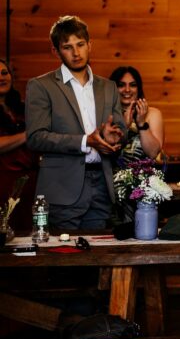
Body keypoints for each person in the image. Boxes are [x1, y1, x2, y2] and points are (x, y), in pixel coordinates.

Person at [25, 16, 125, 230]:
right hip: (61, 187)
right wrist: (85, 141)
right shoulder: (41, 86)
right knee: (62, 259)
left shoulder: (109, 87)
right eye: (67, 47)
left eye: (80, 45)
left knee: (96, 257)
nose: (76, 53)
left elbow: (120, 131)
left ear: (90, 45)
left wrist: (114, 136)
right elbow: (35, 138)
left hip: (102, 185)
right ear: (56, 51)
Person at [0, 59, 37, 233]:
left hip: (30, 183)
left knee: (29, 234)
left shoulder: (22, 107)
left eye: (4, 73)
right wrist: (27, 135)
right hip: (3, 183)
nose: (1, 78)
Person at [109, 66, 165, 166]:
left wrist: (141, 123)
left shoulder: (153, 114)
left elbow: (153, 153)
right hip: (110, 178)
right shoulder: (106, 115)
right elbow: (105, 153)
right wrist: (124, 126)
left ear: (138, 89)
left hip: (144, 179)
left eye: (133, 85)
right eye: (121, 85)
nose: (127, 90)